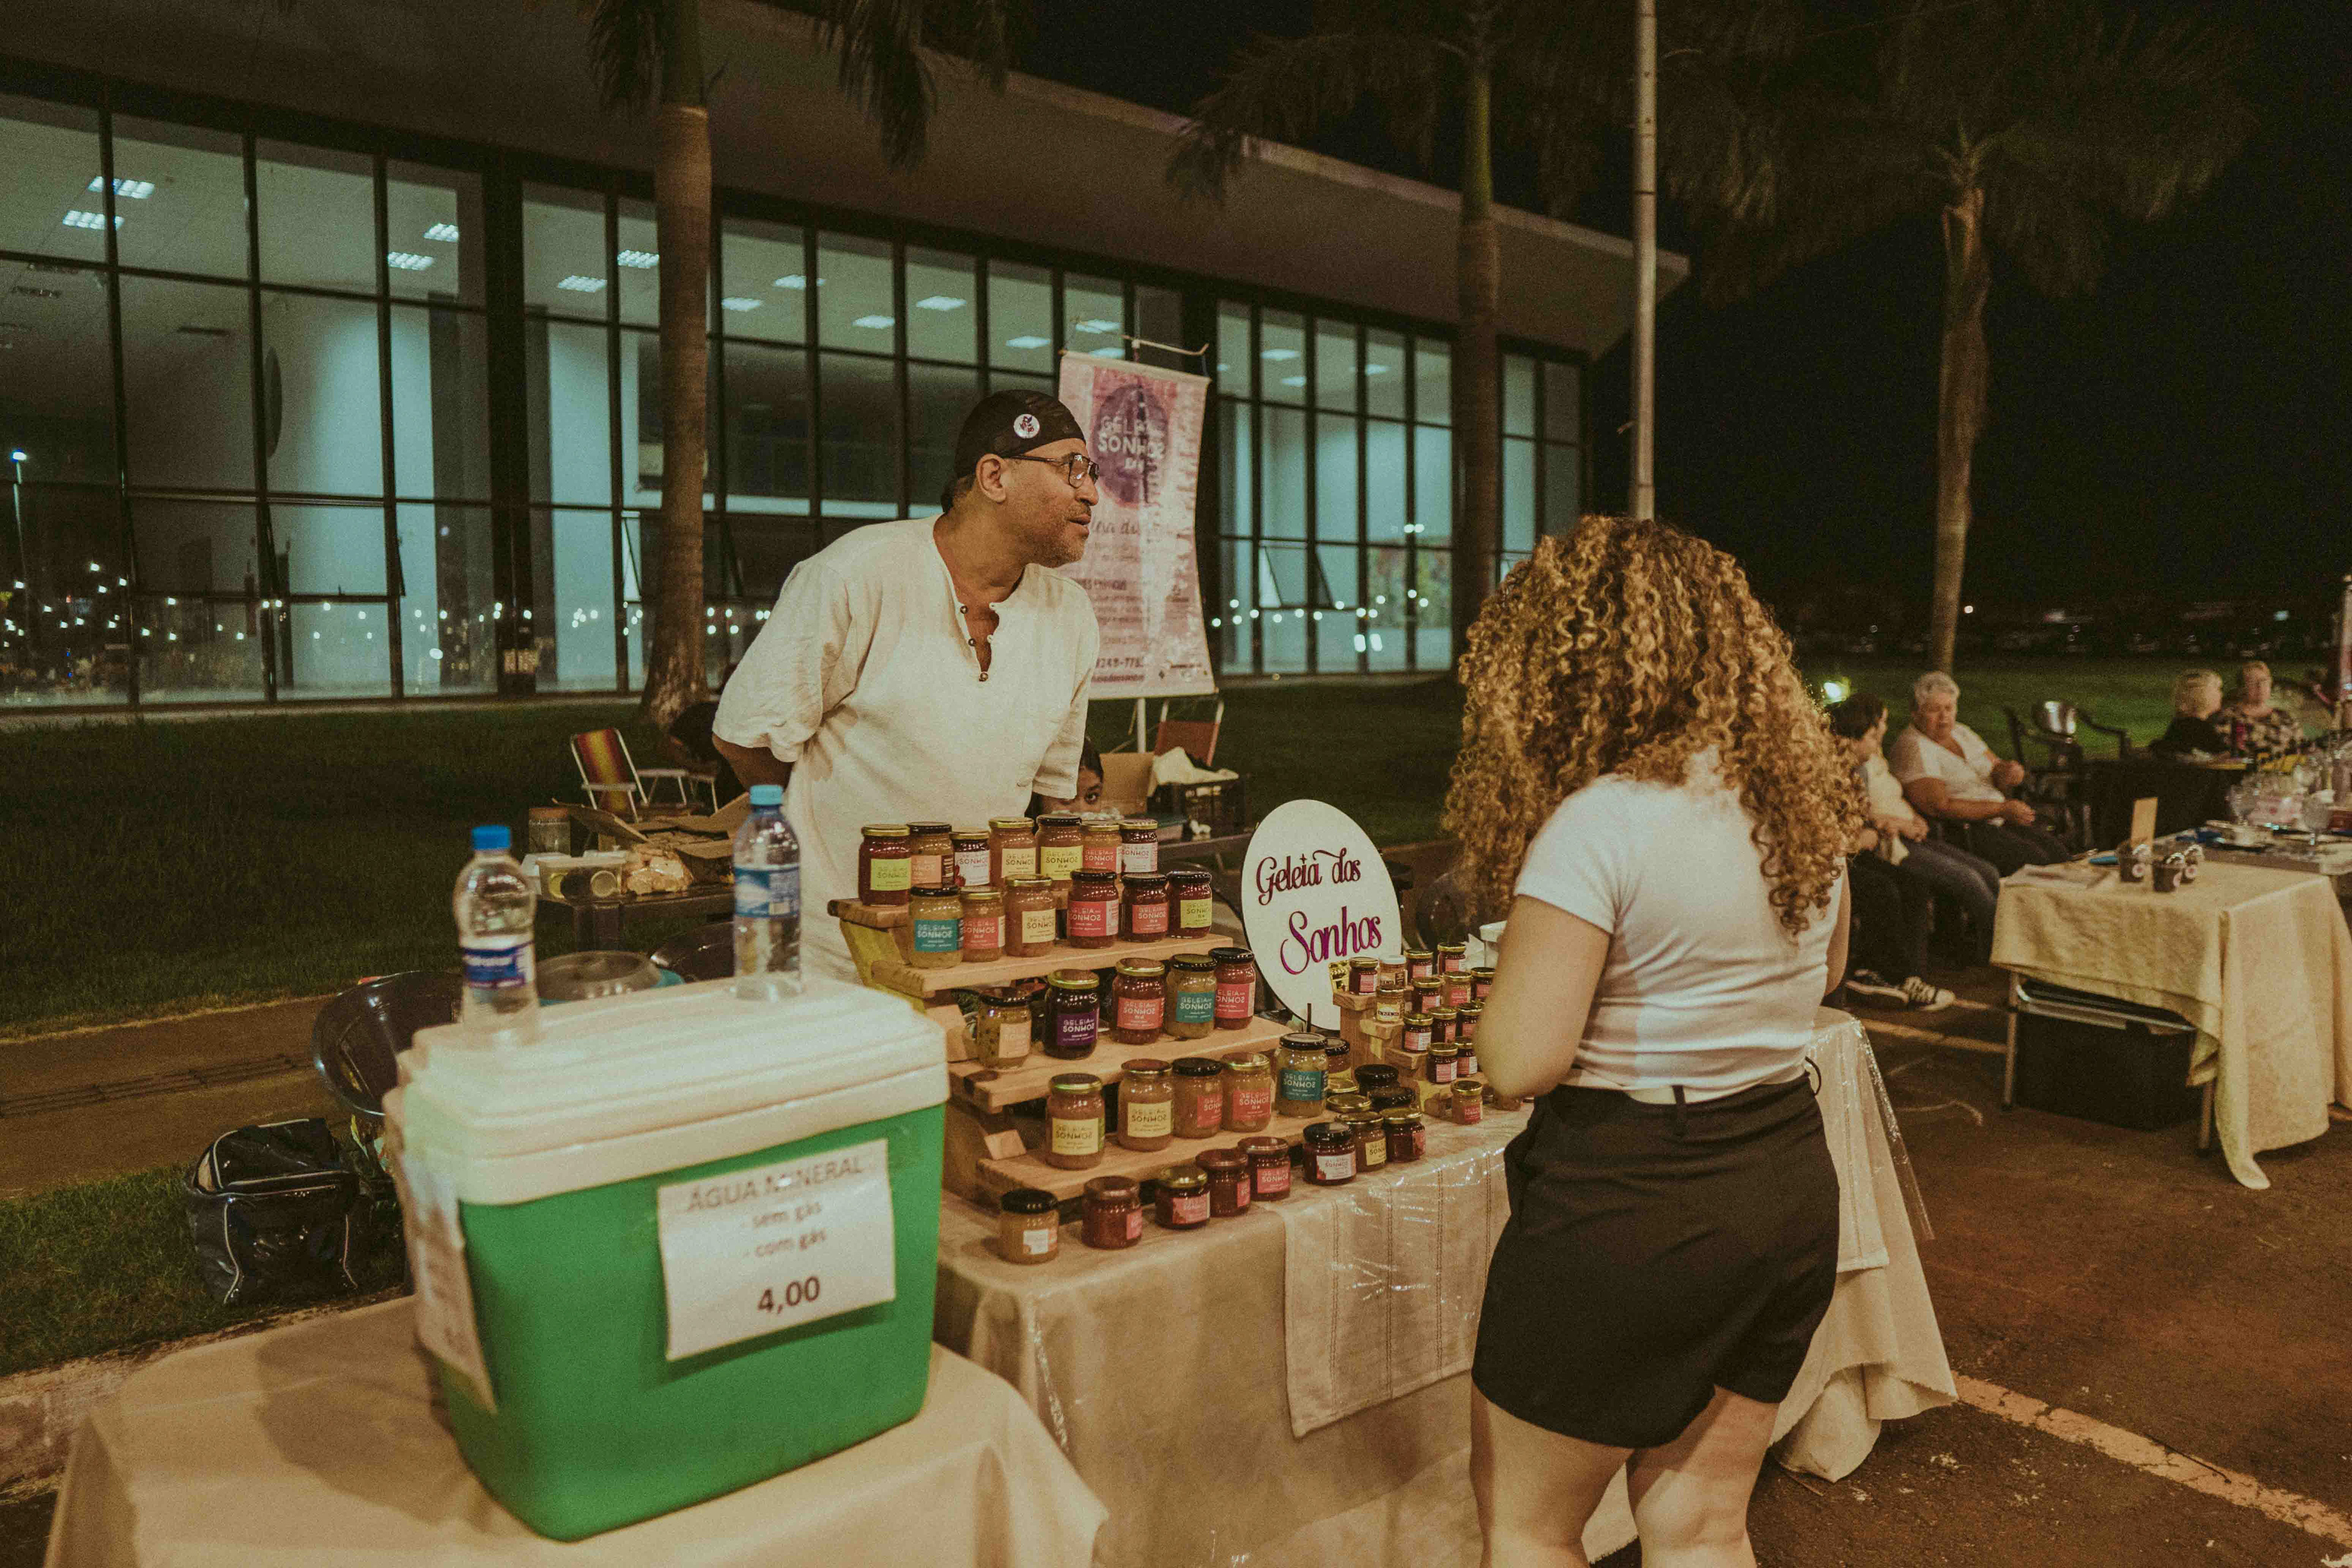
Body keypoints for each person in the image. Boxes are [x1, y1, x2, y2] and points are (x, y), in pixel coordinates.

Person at [1448, 518, 1855, 1568]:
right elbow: (1828, 975)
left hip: (1633, 1200)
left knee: (1531, 1532)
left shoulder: (1603, 820)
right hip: (1783, 1176)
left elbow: (1518, 1063)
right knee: (1700, 1523)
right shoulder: (1792, 803)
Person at [712, 389, 1102, 982]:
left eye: (1092, 473)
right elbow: (747, 738)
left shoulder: (1070, 614)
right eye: (1072, 468)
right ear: (994, 476)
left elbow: (1052, 796)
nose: (1091, 492)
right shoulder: (856, 575)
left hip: (978, 945)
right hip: (838, 946)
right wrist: (826, 820)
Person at [1828, 693, 2002, 965]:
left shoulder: (1872, 757)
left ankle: (1991, 948)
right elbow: (1862, 815)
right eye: (1880, 725)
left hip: (1907, 829)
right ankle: (1997, 955)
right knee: (1968, 880)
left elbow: (1886, 798)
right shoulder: (1853, 766)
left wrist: (1914, 817)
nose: (1884, 730)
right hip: (1891, 839)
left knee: (1988, 873)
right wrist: (1900, 824)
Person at [1888, 671, 2068, 875]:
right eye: (1935, 710)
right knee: (2038, 862)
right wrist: (2000, 809)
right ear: (1915, 713)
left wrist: (2008, 773)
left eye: (1949, 708)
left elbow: (1996, 769)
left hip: (1999, 818)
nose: (1944, 717)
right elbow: (1939, 806)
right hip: (1965, 830)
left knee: (2058, 853)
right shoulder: (1914, 747)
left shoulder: (1961, 732)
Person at [660, 661, 744, 806]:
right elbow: (669, 746)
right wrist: (697, 767)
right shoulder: (702, 714)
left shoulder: (762, 719)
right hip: (721, 790)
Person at [2218, 660, 2308, 755]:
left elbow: (2302, 748)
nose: (2260, 686)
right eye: (2253, 682)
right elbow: (2226, 753)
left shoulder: (2285, 716)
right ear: (2242, 687)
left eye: (2264, 681)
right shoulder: (2230, 716)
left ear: (2270, 683)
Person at [2149, 669, 2233, 760]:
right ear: (2205, 696)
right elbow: (2227, 756)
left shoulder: (2180, 724)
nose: (2221, 694)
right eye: (2219, 689)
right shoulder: (2200, 729)